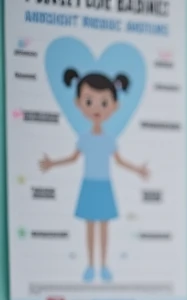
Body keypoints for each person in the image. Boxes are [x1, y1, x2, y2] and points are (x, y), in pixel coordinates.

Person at [39, 66, 150, 283]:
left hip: (104, 186)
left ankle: (104, 265)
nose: (97, 108)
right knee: (90, 227)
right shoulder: (84, 139)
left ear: (114, 106)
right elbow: (73, 159)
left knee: (104, 228)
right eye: (89, 101)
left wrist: (138, 169)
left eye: (104, 102)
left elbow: (119, 161)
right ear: (78, 103)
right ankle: (91, 265)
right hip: (89, 185)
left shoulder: (109, 140)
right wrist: (52, 163)